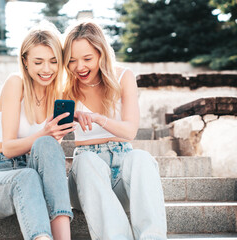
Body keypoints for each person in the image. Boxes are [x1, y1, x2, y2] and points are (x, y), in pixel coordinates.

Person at [63, 20, 167, 240]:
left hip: (122, 172)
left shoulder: (123, 76)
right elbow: (53, 136)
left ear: (101, 54)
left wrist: (99, 119)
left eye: (87, 59)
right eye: (71, 61)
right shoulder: (65, 87)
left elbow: (130, 132)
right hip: (85, 178)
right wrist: (65, 120)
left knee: (142, 158)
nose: (79, 67)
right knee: (85, 162)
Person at [0, 22, 75, 240]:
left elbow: (47, 159)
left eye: (53, 61)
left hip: (32, 180)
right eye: (38, 62)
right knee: (27, 175)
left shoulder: (59, 95)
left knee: (45, 148)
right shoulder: (15, 83)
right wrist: (44, 133)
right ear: (25, 62)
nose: (46, 69)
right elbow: (9, 148)